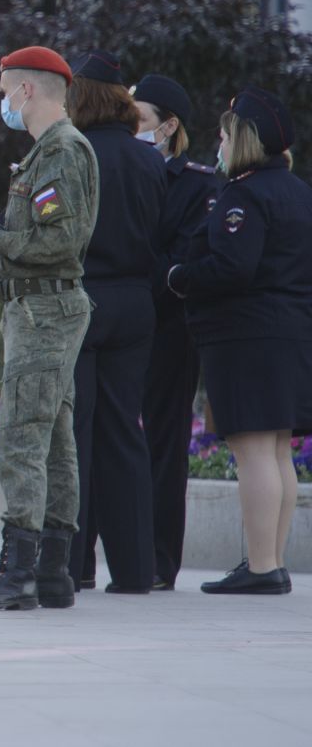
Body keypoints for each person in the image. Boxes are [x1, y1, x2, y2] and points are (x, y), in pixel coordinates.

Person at [0, 45, 98, 611]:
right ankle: (54, 572)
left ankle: (18, 575)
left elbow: (61, 242)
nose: (2, 101)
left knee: (21, 437)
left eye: (5, 89)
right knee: (55, 438)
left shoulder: (60, 150)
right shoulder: (48, 152)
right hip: (42, 307)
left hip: (44, 310)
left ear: (27, 91)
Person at [168, 88, 312, 595]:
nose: (219, 142)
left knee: (253, 451)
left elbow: (233, 266)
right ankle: (270, 560)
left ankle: (261, 566)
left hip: (248, 336)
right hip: (289, 333)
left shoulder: (244, 194)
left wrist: (181, 275)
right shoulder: (297, 191)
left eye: (225, 133)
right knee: (277, 453)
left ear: (244, 140)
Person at [65, 50, 165, 594]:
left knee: (75, 432)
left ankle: (74, 563)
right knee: (125, 431)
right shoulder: (150, 159)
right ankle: (134, 570)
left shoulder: (71, 154)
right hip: (136, 302)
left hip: (81, 299)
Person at [133, 72, 220, 589]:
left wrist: (138, 269)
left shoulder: (197, 183)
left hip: (169, 327)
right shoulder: (121, 170)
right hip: (124, 324)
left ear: (168, 127)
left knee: (164, 444)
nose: (132, 130)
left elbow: (186, 257)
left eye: (140, 121)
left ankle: (160, 559)